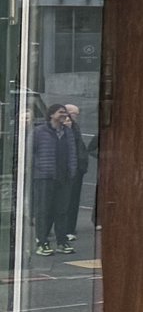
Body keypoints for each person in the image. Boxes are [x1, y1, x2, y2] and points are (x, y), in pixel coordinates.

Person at [27, 102, 87, 256]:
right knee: (44, 210)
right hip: (45, 178)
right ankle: (42, 242)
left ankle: (62, 241)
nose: (64, 115)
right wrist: (37, 170)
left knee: (62, 210)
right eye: (61, 112)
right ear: (52, 114)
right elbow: (30, 153)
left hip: (64, 178)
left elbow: (73, 153)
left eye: (65, 112)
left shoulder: (68, 132)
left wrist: (72, 171)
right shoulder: (39, 131)